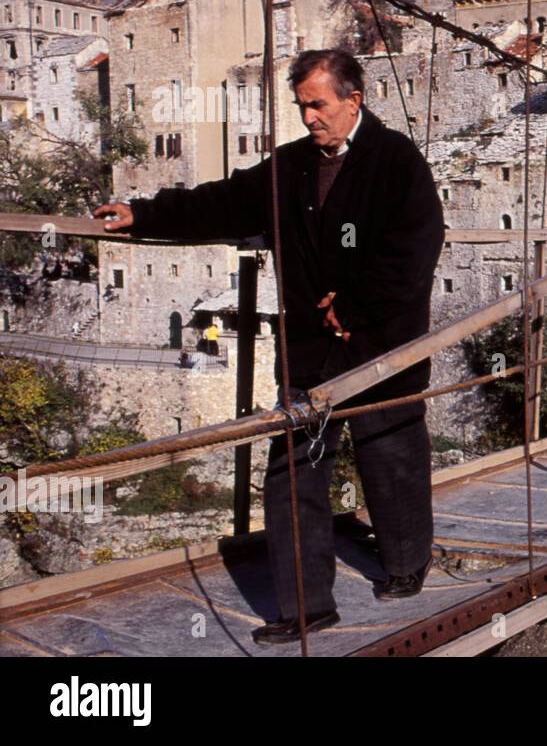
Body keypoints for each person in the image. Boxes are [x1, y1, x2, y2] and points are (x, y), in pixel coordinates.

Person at [94, 49, 444, 645]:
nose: (308, 116)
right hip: (309, 348)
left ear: (352, 101)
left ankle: (408, 564)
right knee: (293, 467)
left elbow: (416, 246)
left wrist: (355, 306)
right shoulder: (289, 167)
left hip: (383, 342)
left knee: (390, 451)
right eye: (302, 105)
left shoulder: (397, 161)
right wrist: (141, 213)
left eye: (318, 104)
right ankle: (307, 607)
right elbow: (220, 202)